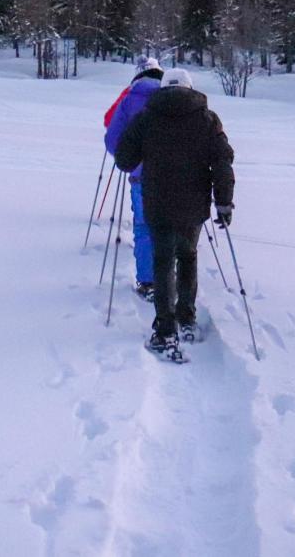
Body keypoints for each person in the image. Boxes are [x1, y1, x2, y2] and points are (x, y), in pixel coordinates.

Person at [115, 68, 234, 360]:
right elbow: (222, 162)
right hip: (193, 204)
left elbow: (125, 159)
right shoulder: (208, 119)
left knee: (163, 261)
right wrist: (224, 202)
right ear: (190, 88)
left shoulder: (147, 116)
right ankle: (187, 319)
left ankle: (166, 331)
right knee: (188, 256)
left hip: (157, 201)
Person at [104, 56, 164, 299]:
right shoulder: (176, 96)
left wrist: (128, 159)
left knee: (144, 226)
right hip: (176, 176)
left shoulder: (130, 98)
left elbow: (112, 137)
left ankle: (149, 282)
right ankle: (176, 279)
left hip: (141, 176)